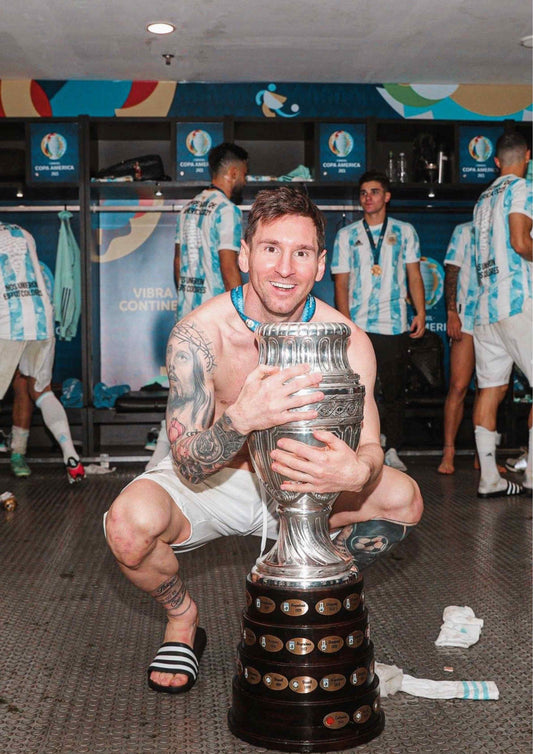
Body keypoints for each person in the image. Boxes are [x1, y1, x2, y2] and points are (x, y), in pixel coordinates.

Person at [104, 186, 423, 694]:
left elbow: (370, 442)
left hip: (305, 479)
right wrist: (241, 420)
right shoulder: (200, 335)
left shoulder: (346, 339)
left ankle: (309, 587)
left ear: (320, 265)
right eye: (271, 249)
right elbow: (187, 463)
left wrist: (357, 472)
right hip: (217, 479)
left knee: (403, 499)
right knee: (127, 527)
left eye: (301, 253)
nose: (284, 268)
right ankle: (183, 620)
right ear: (246, 253)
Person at [145, 142, 250, 471]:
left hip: (187, 318)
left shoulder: (188, 209)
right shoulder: (228, 211)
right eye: (244, 174)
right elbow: (228, 265)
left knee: (185, 398)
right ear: (232, 173)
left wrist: (189, 303)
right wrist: (244, 315)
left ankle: (155, 470)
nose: (245, 180)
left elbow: (177, 265)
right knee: (219, 399)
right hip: (217, 324)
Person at [331, 171, 426, 473]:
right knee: (360, 390)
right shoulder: (347, 235)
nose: (367, 197)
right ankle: (361, 446)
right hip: (358, 326)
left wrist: (420, 312)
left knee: (394, 390)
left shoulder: (405, 231)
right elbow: (341, 283)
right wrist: (346, 324)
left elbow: (414, 274)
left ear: (387, 196)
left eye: (374, 191)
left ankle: (393, 447)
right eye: (362, 192)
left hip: (393, 323)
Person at [0, 221, 85, 482]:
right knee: (40, 390)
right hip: (41, 320)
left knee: (26, 387)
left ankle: (17, 452)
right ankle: (71, 458)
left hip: (8, 323)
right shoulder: (23, 231)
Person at [472, 131, 532, 497]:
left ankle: (489, 479)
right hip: (517, 302)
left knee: (490, 392)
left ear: (496, 161)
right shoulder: (523, 189)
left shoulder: (482, 198)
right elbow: (521, 242)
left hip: (485, 308)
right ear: (528, 155)